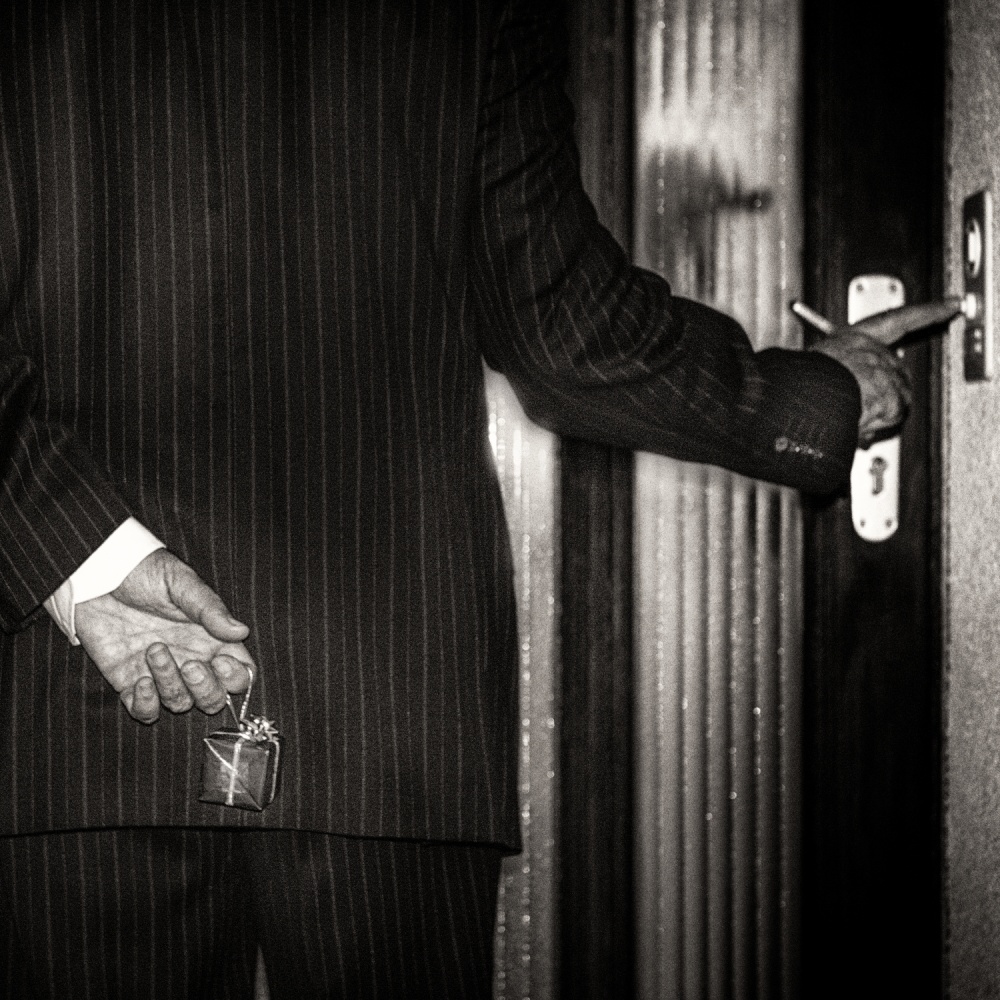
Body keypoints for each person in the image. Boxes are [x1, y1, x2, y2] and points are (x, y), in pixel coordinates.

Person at [0, 2, 949, 998]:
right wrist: (821, 394)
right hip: (388, 707)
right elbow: (569, 339)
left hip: (70, 717)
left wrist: (81, 556)